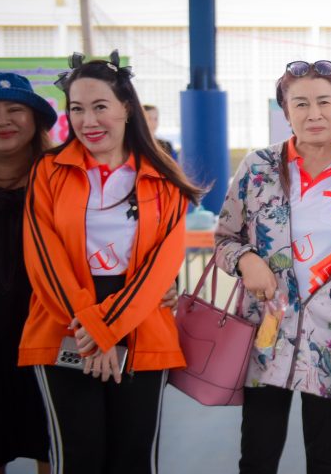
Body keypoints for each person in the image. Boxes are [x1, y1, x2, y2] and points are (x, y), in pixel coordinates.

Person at [19, 51, 200, 474]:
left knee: (133, 459)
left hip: (142, 324)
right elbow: (44, 257)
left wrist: (107, 328)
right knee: (77, 458)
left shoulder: (162, 177)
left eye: (100, 106)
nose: (88, 121)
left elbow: (161, 266)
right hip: (65, 323)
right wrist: (94, 331)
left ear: (126, 108)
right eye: (77, 109)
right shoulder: (48, 170)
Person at [215, 60, 331, 474]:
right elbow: (223, 239)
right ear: (286, 112)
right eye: (301, 104)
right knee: (258, 455)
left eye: (324, 102)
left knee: (326, 458)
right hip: (265, 334)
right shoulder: (257, 167)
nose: (314, 114)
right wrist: (246, 260)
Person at [0, 72, 53, 474]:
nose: (3, 120)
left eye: (15, 109)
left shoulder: (63, 180)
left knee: (52, 438)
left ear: (36, 119)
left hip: (49, 329)